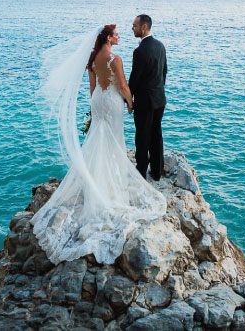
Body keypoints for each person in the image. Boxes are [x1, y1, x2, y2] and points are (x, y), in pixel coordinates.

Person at [30, 24, 166, 265]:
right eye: (116, 34)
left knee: (97, 139)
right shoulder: (115, 58)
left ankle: (93, 177)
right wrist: (131, 103)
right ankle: (112, 182)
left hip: (97, 100)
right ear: (108, 38)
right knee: (114, 140)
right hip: (113, 101)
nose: (119, 37)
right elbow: (123, 85)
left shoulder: (92, 58)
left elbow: (93, 86)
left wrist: (95, 106)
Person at [128, 14, 167, 180]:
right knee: (156, 135)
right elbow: (164, 71)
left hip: (145, 101)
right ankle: (157, 172)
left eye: (135, 26)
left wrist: (128, 98)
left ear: (144, 27)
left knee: (142, 137)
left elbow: (135, 79)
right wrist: (158, 89)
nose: (132, 28)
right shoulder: (160, 45)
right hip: (159, 99)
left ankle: (141, 173)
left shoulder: (140, 51)